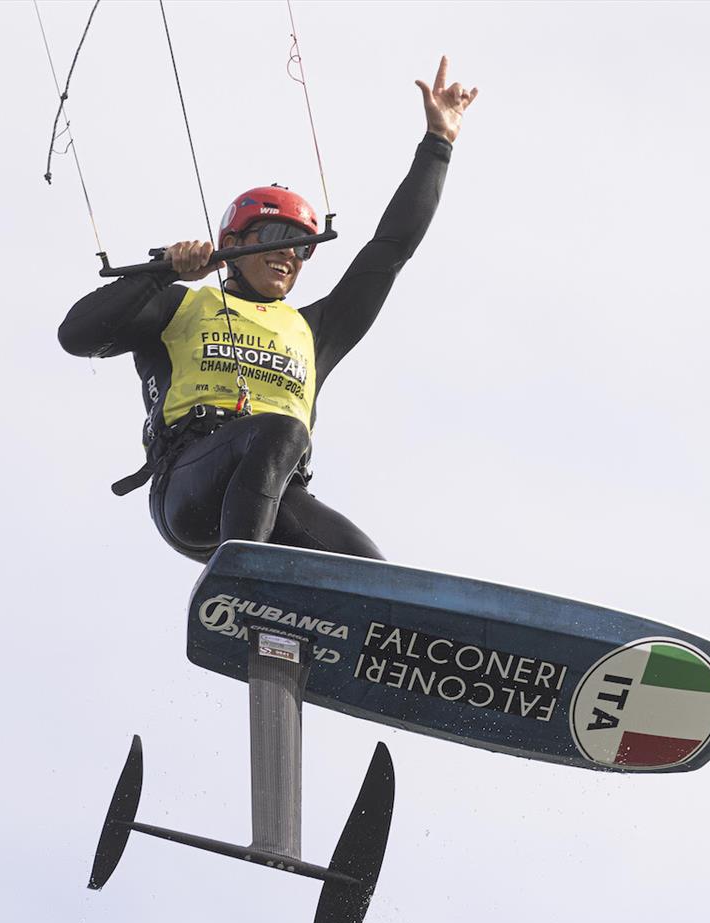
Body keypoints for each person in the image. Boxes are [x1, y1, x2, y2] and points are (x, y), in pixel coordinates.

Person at [58, 57, 477, 564]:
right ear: (231, 243)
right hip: (191, 487)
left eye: (303, 247)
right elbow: (77, 335)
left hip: (275, 499)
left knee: (374, 573)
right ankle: (243, 581)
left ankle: (298, 632)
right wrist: (162, 271)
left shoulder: (313, 330)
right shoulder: (179, 306)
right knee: (282, 428)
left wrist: (440, 142)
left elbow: (389, 250)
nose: (289, 255)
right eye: (278, 237)